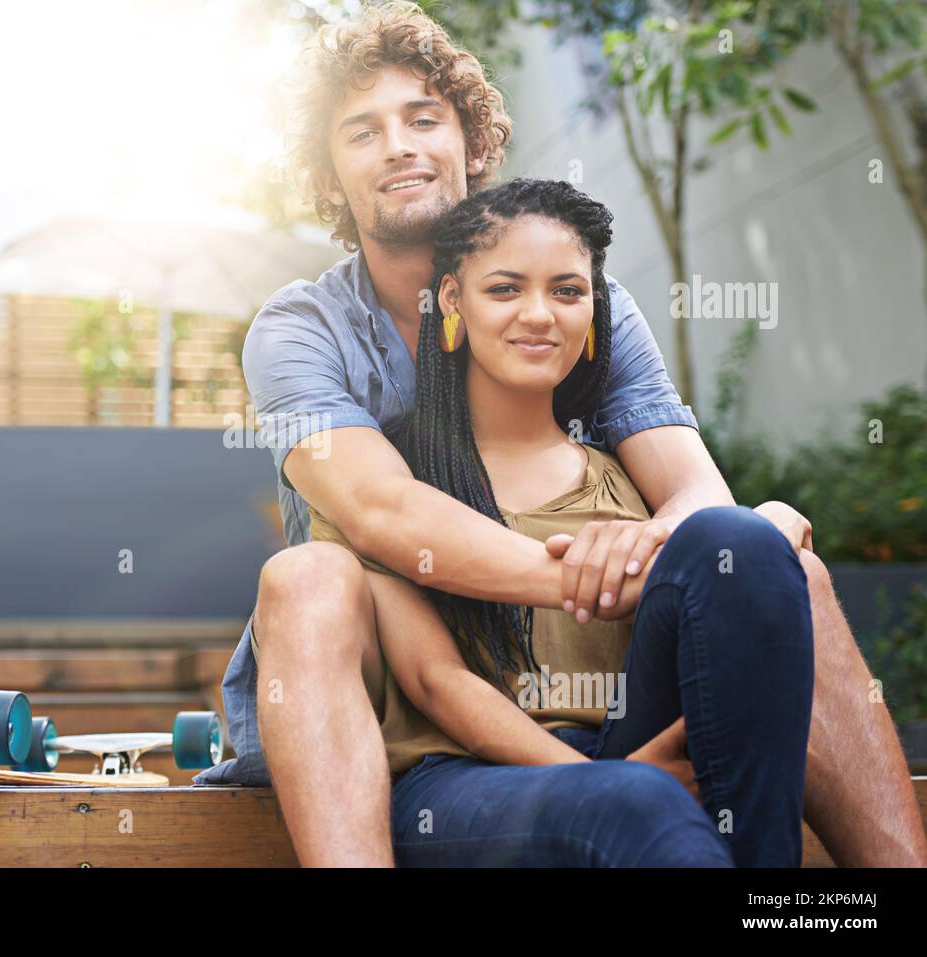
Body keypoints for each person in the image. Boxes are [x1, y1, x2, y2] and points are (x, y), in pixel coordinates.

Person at [192, 1, 927, 870]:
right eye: (362, 131)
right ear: (330, 171)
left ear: (472, 143)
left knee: (774, 558)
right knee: (309, 572)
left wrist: (723, 545)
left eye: (423, 118)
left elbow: (696, 494)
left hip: (608, 698)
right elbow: (386, 513)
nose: (397, 144)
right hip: (401, 705)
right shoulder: (303, 330)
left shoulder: (585, 306)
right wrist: (597, 572)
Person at [306, 175, 816, 866]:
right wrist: (605, 778)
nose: (540, 314)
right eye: (506, 288)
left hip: (627, 748)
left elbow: (717, 598)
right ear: (452, 302)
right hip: (462, 781)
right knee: (639, 802)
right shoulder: (394, 482)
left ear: (594, 310)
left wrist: (769, 529)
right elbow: (435, 681)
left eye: (568, 291)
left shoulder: (633, 477)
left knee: (739, 535)